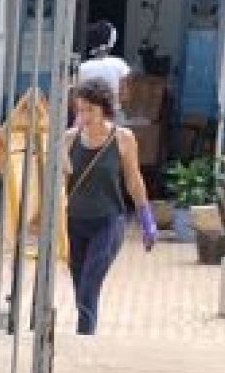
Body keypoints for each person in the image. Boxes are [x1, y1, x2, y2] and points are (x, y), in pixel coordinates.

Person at [63, 75, 158, 335]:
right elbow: (59, 185)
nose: (84, 115)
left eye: (90, 109)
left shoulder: (123, 139)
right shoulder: (69, 139)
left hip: (108, 222)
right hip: (74, 223)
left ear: (104, 109)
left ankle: (84, 340)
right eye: (80, 109)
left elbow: (134, 182)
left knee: (90, 283)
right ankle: (87, 333)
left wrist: (147, 219)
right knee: (80, 285)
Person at [76, 21, 133, 104]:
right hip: (113, 114)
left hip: (88, 114)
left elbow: (77, 96)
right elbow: (125, 96)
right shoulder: (120, 65)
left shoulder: (82, 68)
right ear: (111, 42)